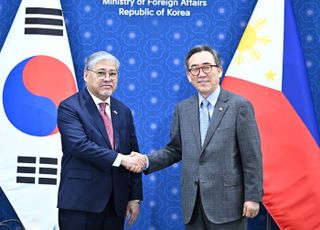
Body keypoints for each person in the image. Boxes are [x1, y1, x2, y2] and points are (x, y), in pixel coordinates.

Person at [132, 45, 263, 229]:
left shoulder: (239, 106)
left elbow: (252, 157)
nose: (201, 73)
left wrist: (252, 197)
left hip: (229, 205)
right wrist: (145, 161)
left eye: (207, 67)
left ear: (219, 70)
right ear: (188, 75)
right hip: (193, 206)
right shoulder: (183, 109)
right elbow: (175, 149)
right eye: (195, 69)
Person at [57, 51, 143, 230]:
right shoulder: (70, 107)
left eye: (112, 74)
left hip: (115, 204)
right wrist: (121, 159)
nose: (107, 78)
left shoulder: (123, 111)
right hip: (80, 203)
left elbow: (133, 152)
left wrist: (134, 197)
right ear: (86, 75)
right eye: (101, 73)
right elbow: (79, 145)